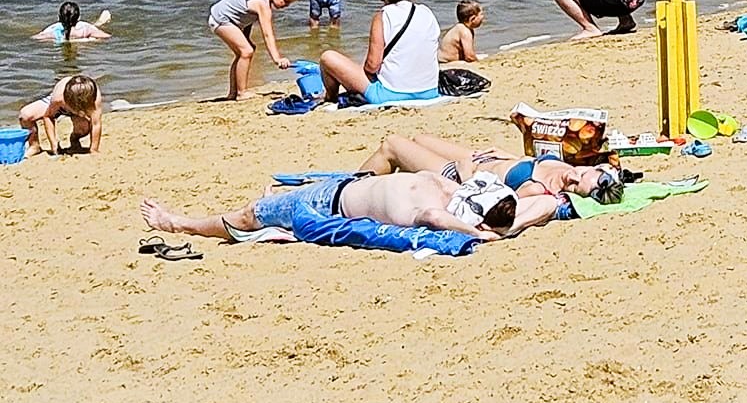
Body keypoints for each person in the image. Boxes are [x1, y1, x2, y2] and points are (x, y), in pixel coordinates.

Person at [140, 169, 518, 246]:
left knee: (249, 216)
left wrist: (478, 235)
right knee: (263, 206)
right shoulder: (445, 188)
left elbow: (436, 219)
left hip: (325, 204)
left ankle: (178, 224)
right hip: (339, 187)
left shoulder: (434, 207)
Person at [356, 133, 624, 231]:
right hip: (479, 159)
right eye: (582, 175)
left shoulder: (537, 190)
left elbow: (488, 202)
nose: (574, 177)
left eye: (576, 187)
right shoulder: (571, 169)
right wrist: (511, 156)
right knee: (419, 139)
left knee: (392, 145)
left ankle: (352, 185)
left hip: (459, 175)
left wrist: (465, 173)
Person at [317, 0, 442, 106]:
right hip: (429, 90)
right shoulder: (426, 12)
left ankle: (330, 98)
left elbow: (372, 66)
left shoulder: (383, 16)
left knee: (328, 57)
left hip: (391, 94)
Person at [208, 0, 302, 100]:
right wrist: (277, 58)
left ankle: (233, 93)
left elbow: (245, 15)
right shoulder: (262, 4)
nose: (286, 6)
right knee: (246, 51)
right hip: (221, 19)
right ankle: (242, 93)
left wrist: (245, 37)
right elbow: (268, 34)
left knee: (244, 52)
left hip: (226, 19)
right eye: (285, 1)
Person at [20, 74, 103, 155]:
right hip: (59, 105)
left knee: (84, 127)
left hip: (80, 106)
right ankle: (34, 146)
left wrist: (94, 149)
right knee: (25, 115)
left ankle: (74, 139)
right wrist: (54, 144)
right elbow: (48, 116)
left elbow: (96, 124)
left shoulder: (94, 98)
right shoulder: (58, 98)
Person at [33, 1, 109, 45]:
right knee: (96, 25)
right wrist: (89, 40)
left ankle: (99, 22)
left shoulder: (54, 31)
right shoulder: (85, 29)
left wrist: (58, 40)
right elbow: (107, 36)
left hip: (60, 35)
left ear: (59, 17)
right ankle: (100, 22)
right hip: (84, 31)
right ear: (79, 17)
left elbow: (35, 38)